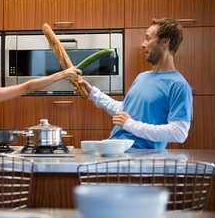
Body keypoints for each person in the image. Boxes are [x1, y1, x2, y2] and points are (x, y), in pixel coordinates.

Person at [77, 18, 193, 149]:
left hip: (142, 157)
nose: (143, 44)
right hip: (116, 149)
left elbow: (179, 133)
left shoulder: (179, 86)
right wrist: (93, 93)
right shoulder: (142, 77)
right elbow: (127, 110)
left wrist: (129, 124)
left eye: (148, 38)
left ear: (165, 42)